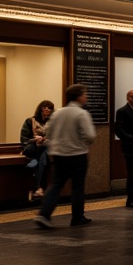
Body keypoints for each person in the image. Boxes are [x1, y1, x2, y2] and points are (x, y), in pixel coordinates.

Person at [35, 84, 96, 229]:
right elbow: (91, 136)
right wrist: (82, 141)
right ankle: (77, 217)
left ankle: (44, 214)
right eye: (85, 94)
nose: (86, 96)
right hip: (77, 155)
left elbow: (48, 133)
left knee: (56, 185)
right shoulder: (81, 114)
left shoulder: (57, 113)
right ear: (79, 96)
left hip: (59, 155)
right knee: (77, 187)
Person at [19, 100, 54, 202]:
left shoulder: (52, 123)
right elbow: (24, 139)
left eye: (50, 108)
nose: (47, 109)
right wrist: (35, 140)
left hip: (48, 148)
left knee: (42, 155)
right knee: (42, 156)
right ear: (40, 108)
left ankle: (38, 188)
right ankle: (39, 188)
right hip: (33, 148)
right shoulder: (30, 121)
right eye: (45, 107)